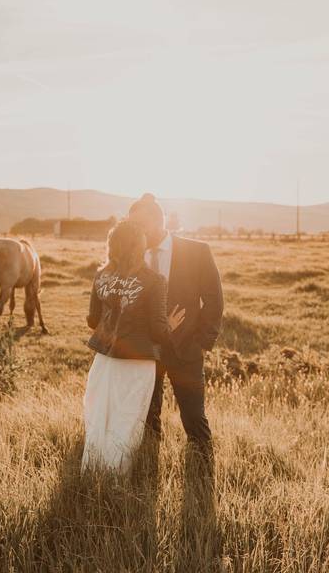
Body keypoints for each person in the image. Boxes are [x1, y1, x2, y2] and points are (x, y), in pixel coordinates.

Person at [126, 194, 223, 464]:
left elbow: (214, 299)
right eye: (131, 226)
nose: (135, 232)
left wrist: (202, 341)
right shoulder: (130, 256)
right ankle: (149, 470)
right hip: (145, 351)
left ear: (158, 221)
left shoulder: (196, 251)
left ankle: (203, 472)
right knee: (147, 415)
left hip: (187, 349)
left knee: (194, 417)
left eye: (140, 225)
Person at [82, 219, 185, 471]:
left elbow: (93, 320)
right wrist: (171, 325)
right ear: (140, 247)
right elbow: (158, 331)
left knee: (98, 419)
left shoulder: (101, 275)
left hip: (104, 361)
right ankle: (115, 482)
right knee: (127, 422)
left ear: (112, 245)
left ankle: (92, 473)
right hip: (137, 363)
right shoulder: (154, 280)